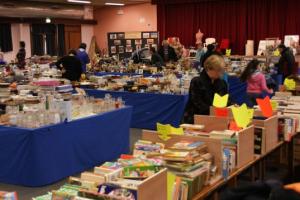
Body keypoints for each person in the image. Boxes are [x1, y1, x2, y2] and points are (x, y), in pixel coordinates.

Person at [183, 54, 229, 123]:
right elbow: (197, 103)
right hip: (195, 120)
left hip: (215, 120)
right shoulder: (196, 82)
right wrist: (213, 110)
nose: (220, 73)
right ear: (209, 69)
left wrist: (233, 105)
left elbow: (224, 98)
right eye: (218, 70)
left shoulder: (222, 83)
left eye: (221, 70)